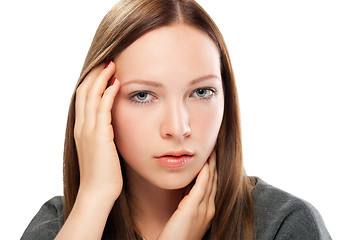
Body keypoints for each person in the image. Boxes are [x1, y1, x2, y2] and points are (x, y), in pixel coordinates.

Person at [21, 0, 332, 239]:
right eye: (143, 95)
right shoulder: (62, 224)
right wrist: (94, 196)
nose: (178, 128)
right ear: (98, 104)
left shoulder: (283, 225)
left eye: (201, 92)